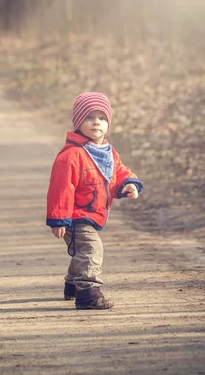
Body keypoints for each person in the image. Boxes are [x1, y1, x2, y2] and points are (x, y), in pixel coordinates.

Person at [46, 92, 143, 310]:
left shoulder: (107, 151)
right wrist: (59, 219)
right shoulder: (71, 155)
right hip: (75, 216)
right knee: (91, 249)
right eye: (89, 117)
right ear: (79, 122)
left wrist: (129, 184)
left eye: (102, 117)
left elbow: (118, 172)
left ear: (108, 123)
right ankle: (88, 293)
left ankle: (72, 284)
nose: (96, 121)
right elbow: (60, 189)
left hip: (92, 213)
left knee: (82, 250)